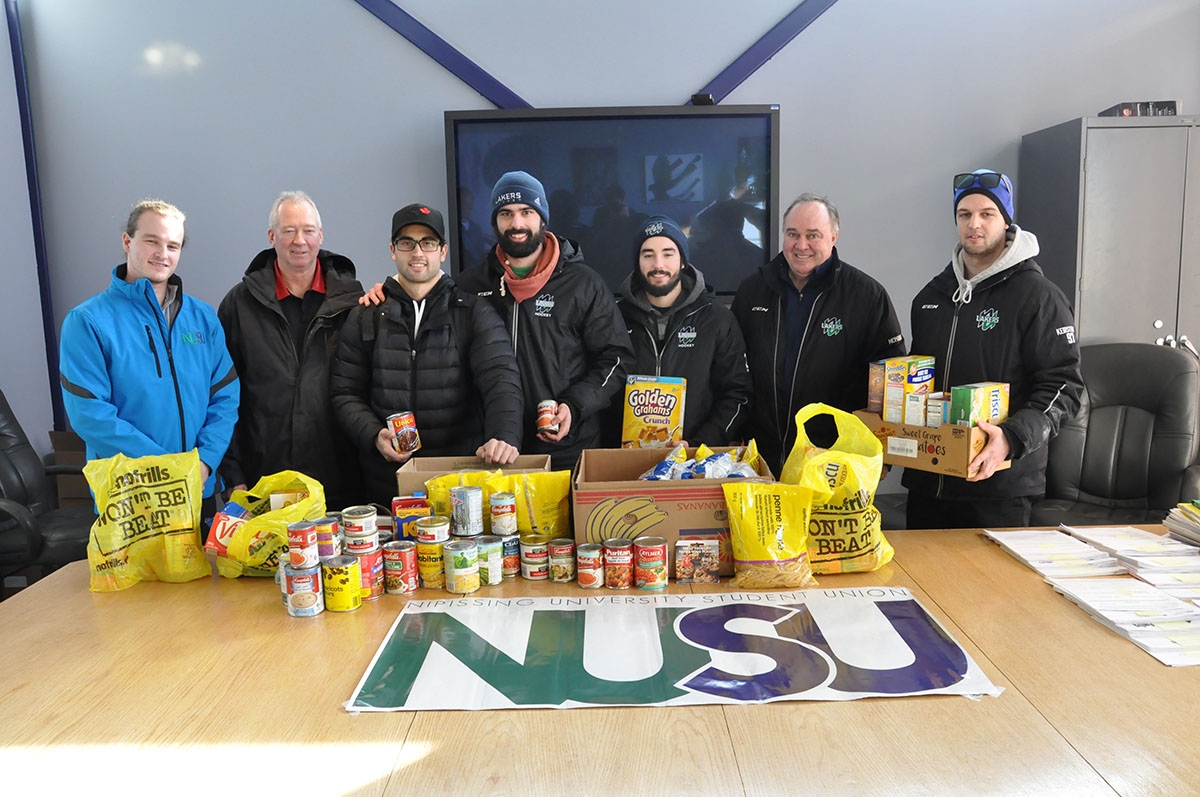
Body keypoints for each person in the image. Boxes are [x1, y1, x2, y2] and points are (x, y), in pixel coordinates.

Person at [903, 169, 1083, 529]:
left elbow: (1064, 387)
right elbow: (917, 382)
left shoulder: (1039, 297)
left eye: (987, 214)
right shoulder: (931, 297)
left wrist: (1012, 439)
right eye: (965, 214)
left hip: (999, 487)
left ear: (1006, 220)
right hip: (929, 483)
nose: (974, 224)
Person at [330, 203, 523, 505]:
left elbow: (501, 380)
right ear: (393, 251)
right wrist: (374, 435)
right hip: (387, 484)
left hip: (458, 483)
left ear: (443, 251)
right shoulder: (367, 315)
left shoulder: (473, 312)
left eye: (428, 243)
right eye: (406, 243)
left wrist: (503, 436)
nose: (417, 253)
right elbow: (344, 393)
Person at [59, 200, 239, 514]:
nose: (162, 253)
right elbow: (89, 414)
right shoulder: (88, 322)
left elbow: (225, 396)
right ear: (127, 241)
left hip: (200, 488)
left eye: (173, 245)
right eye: (152, 241)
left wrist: (206, 461)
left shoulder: (202, 318)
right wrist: (168, 469)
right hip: (131, 499)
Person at [456, 171, 634, 470]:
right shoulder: (469, 285)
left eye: (527, 212)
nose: (516, 223)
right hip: (491, 448)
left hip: (567, 449)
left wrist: (574, 406)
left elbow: (616, 359)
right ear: (494, 221)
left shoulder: (583, 283)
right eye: (505, 213)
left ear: (543, 219)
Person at [732, 193, 905, 477]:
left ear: (833, 237)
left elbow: (891, 379)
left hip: (835, 462)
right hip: (760, 459)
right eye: (793, 234)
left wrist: (883, 455)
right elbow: (733, 373)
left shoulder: (866, 296)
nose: (801, 246)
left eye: (813, 235)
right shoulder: (752, 291)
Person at [218, 191, 364, 509]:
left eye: (308, 230)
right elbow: (221, 396)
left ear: (320, 236)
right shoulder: (239, 305)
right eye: (289, 231)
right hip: (264, 479)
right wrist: (232, 475)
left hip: (342, 480)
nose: (300, 240)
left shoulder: (355, 304)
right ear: (272, 237)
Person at [615, 214, 751, 446]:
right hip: (622, 459)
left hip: (694, 457)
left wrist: (698, 444)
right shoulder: (613, 318)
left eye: (668, 254)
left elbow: (738, 394)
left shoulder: (717, 320)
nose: (658, 265)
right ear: (637, 263)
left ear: (683, 261)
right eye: (648, 255)